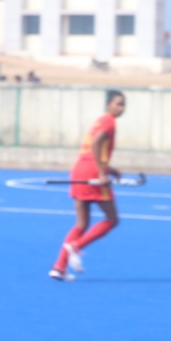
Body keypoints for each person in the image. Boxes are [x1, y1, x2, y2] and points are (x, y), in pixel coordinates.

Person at [49, 90, 125, 281]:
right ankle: (76, 247)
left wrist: (110, 169)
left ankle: (59, 267)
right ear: (108, 105)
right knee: (112, 219)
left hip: (79, 170)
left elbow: (91, 150)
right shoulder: (109, 121)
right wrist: (101, 172)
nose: (121, 108)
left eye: (123, 105)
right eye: (118, 104)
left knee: (81, 224)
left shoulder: (99, 121)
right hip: (92, 172)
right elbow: (97, 144)